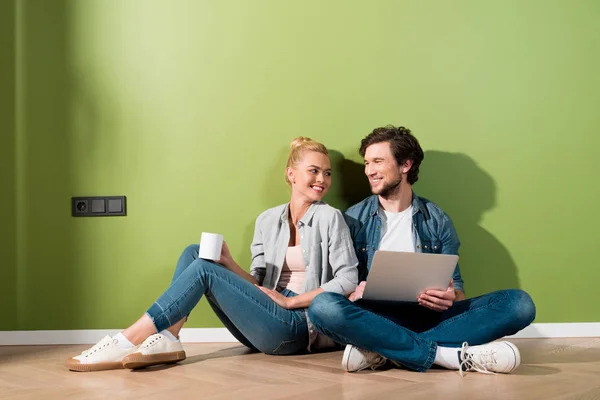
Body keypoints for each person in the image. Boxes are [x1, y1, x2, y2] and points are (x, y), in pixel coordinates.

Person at [66, 137, 358, 372]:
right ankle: (169, 337)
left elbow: (347, 279)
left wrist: (290, 300)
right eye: (314, 170)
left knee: (205, 271)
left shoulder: (331, 218)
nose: (322, 179)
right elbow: (256, 283)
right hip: (265, 318)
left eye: (327, 172)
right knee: (196, 253)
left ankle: (127, 339)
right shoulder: (267, 220)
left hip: (297, 327)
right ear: (291, 174)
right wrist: (229, 264)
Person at [307, 125, 536, 376]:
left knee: (519, 304)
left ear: (405, 165)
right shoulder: (353, 219)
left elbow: (457, 289)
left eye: (378, 161)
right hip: (375, 318)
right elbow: (342, 281)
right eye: (367, 163)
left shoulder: (437, 220)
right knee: (322, 306)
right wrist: (354, 293)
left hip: (430, 317)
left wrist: (450, 296)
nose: (369, 171)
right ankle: (447, 356)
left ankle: (385, 351)